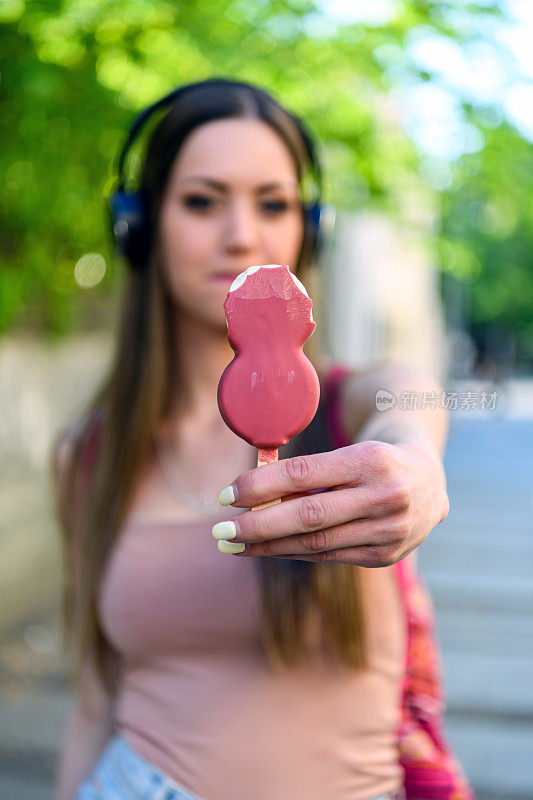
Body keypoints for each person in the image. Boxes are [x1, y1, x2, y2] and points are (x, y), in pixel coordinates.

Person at [50, 78, 473, 800]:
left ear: (309, 229)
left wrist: (414, 462)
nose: (241, 233)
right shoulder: (88, 456)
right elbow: (96, 701)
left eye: (273, 203)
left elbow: (410, 395)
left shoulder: (341, 408)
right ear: (140, 226)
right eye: (201, 201)